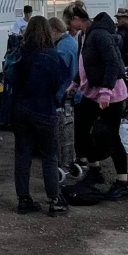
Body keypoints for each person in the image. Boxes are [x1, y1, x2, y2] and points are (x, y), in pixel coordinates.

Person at [64, 6, 128, 200]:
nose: (69, 27)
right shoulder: (85, 35)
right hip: (91, 92)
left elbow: (113, 63)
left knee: (111, 136)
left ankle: (123, 183)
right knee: (81, 130)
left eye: (69, 23)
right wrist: (75, 83)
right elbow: (86, 64)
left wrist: (105, 91)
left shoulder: (100, 35)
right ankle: (94, 170)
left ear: (77, 19)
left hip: (110, 94)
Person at [10, 16, 70, 216]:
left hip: (19, 109)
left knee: (22, 154)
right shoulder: (51, 56)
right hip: (43, 110)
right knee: (49, 155)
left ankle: (23, 199)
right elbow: (60, 85)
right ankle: (54, 200)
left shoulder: (19, 52)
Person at [49, 16, 79, 172]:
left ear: (54, 31)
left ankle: (64, 163)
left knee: (63, 131)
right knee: (71, 131)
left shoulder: (62, 48)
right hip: (74, 92)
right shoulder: (71, 43)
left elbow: (58, 74)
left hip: (65, 94)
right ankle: (71, 160)